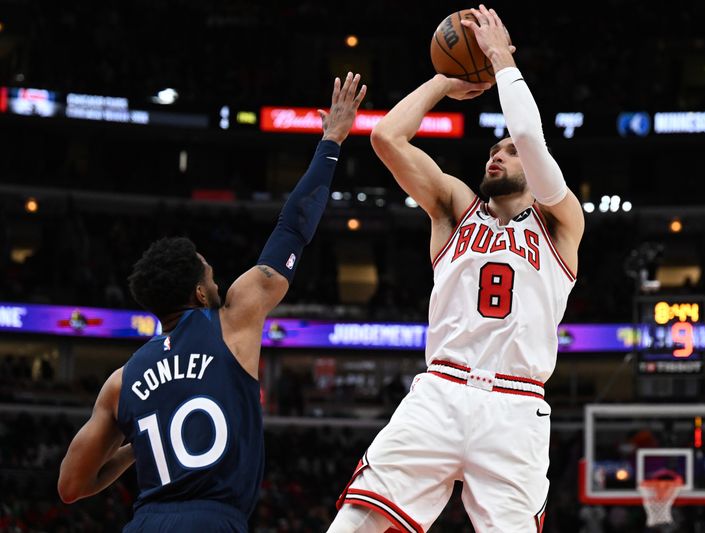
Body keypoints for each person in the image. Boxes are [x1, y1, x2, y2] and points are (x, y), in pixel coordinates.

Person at [57, 72, 367, 532]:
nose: (217, 277)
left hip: (144, 523)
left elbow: (70, 487)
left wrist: (134, 447)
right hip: (212, 520)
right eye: (210, 272)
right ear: (200, 293)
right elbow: (293, 228)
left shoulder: (121, 383)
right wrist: (332, 140)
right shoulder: (232, 322)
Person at [328, 6, 584, 532]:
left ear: (536, 174)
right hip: (441, 391)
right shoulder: (454, 208)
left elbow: (532, 140)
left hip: (515, 407)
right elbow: (386, 139)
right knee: (355, 522)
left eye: (508, 153)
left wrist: (499, 60)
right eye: (493, 150)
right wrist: (445, 80)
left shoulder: (560, 222)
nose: (497, 156)